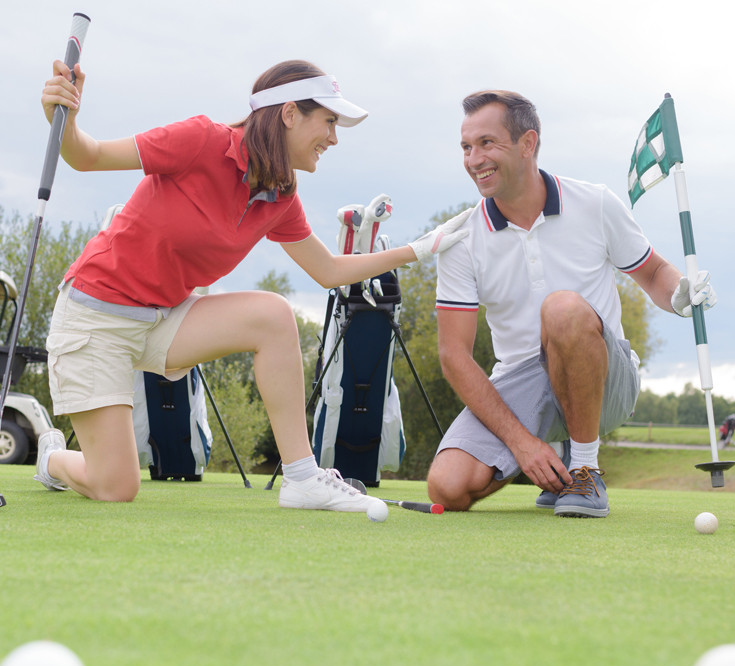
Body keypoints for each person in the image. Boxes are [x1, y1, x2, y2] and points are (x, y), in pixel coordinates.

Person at [35, 57, 468, 507]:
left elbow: (328, 271)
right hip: (96, 317)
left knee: (273, 316)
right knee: (116, 487)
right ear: (289, 113)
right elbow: (87, 157)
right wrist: (65, 119)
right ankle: (53, 459)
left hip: (163, 320)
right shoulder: (201, 140)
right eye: (329, 121)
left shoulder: (281, 195)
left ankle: (302, 477)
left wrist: (419, 249)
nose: (334, 138)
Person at [427, 90, 716, 517]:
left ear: (528, 143)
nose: (474, 159)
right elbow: (454, 355)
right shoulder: (460, 239)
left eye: (487, 143)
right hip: (522, 382)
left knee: (562, 309)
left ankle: (584, 469)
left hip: (606, 378)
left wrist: (679, 293)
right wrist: (522, 445)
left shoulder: (595, 202)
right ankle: (561, 466)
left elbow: (654, 273)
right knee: (447, 488)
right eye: (467, 147)